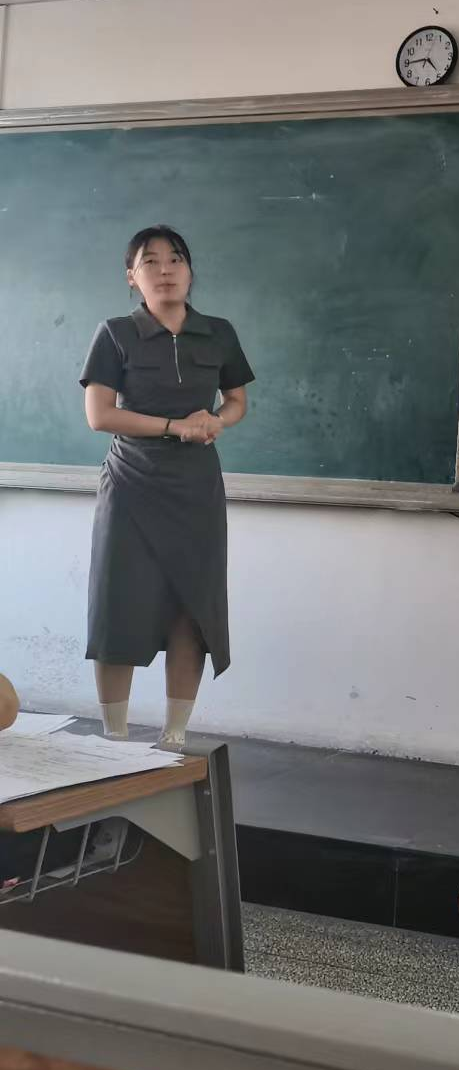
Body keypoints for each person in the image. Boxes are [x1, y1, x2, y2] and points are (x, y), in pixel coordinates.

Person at [80, 227, 254, 746]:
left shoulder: (218, 332)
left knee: (191, 606)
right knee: (119, 602)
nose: (165, 269)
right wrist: (175, 427)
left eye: (175, 259)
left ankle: (174, 736)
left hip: (196, 487)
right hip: (131, 483)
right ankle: (114, 735)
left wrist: (216, 420)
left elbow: (237, 402)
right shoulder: (115, 333)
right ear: (131, 277)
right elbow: (100, 415)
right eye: (150, 261)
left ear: (190, 271)